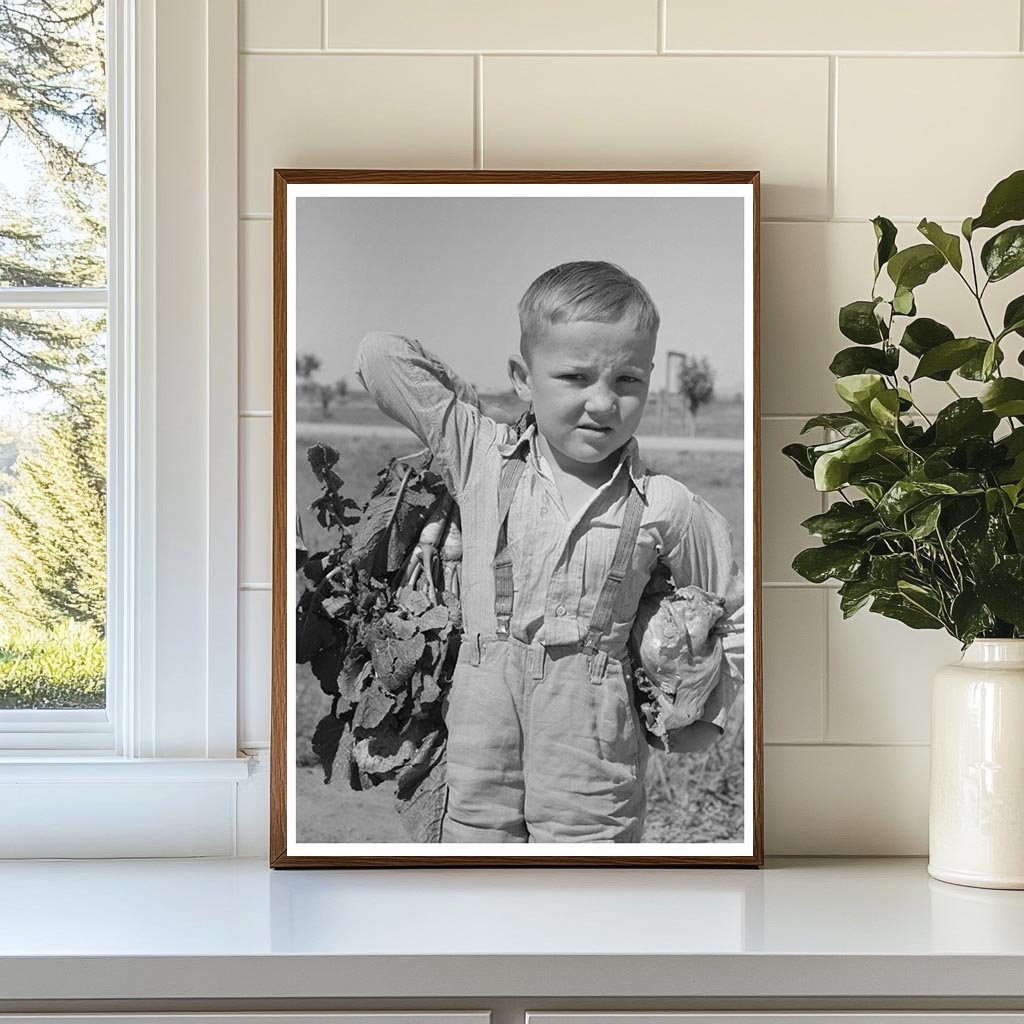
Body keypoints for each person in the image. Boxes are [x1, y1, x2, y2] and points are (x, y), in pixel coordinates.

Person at [354, 260, 743, 843]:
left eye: (627, 380)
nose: (604, 402)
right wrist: (470, 401)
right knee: (477, 858)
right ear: (522, 376)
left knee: (584, 874)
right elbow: (379, 356)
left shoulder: (666, 504)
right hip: (482, 716)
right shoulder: (479, 453)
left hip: (591, 729)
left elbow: (731, 609)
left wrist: (702, 710)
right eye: (574, 377)